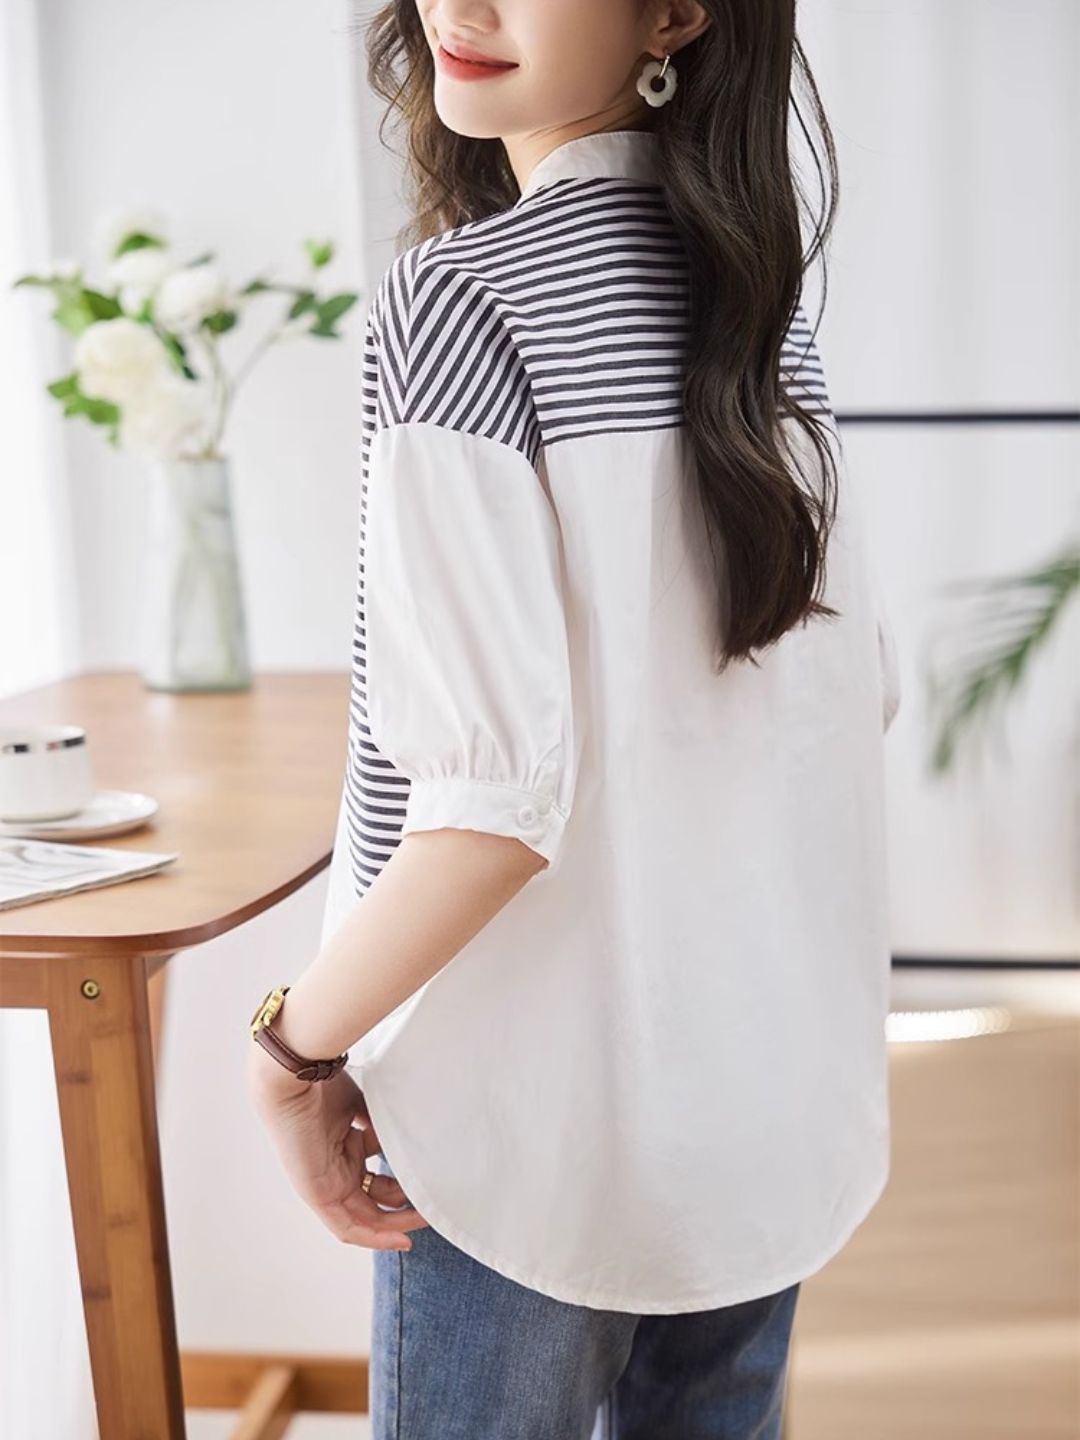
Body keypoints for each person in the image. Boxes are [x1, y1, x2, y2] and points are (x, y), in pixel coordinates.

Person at [247, 2, 902, 1436]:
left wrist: (295, 1051)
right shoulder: (763, 298)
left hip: (528, 1120)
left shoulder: (461, 303)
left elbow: (489, 810)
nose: (463, 10)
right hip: (756, 1102)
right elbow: (856, 702)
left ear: (673, 10)